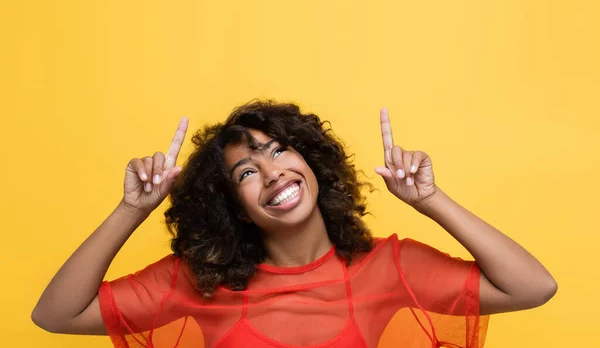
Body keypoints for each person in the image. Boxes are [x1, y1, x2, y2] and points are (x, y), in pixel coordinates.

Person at [32, 100, 557, 348]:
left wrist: (431, 200)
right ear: (234, 205)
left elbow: (534, 286)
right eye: (246, 170)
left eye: (280, 150)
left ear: (312, 163)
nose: (272, 171)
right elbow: (55, 315)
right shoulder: (198, 280)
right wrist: (132, 209)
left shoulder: (390, 266)